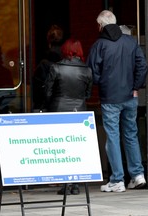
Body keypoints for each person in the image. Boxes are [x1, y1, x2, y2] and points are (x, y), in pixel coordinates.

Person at [87, 10, 148, 192]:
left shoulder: (100, 45)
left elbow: (92, 72)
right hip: (131, 96)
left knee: (113, 136)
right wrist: (136, 87)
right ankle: (138, 176)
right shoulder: (130, 42)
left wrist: (102, 83)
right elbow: (142, 66)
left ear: (100, 25)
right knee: (131, 134)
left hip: (110, 97)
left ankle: (117, 180)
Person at [44, 38, 93, 195]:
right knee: (76, 148)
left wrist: (47, 106)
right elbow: (88, 94)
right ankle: (76, 184)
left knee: (61, 148)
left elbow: (48, 92)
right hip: (79, 111)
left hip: (58, 110)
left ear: (64, 51)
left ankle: (65, 184)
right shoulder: (86, 70)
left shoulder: (56, 68)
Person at [32, 24, 64, 111]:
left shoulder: (45, 60)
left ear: (48, 39)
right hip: (62, 98)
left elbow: (38, 82)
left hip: (47, 101)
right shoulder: (65, 56)